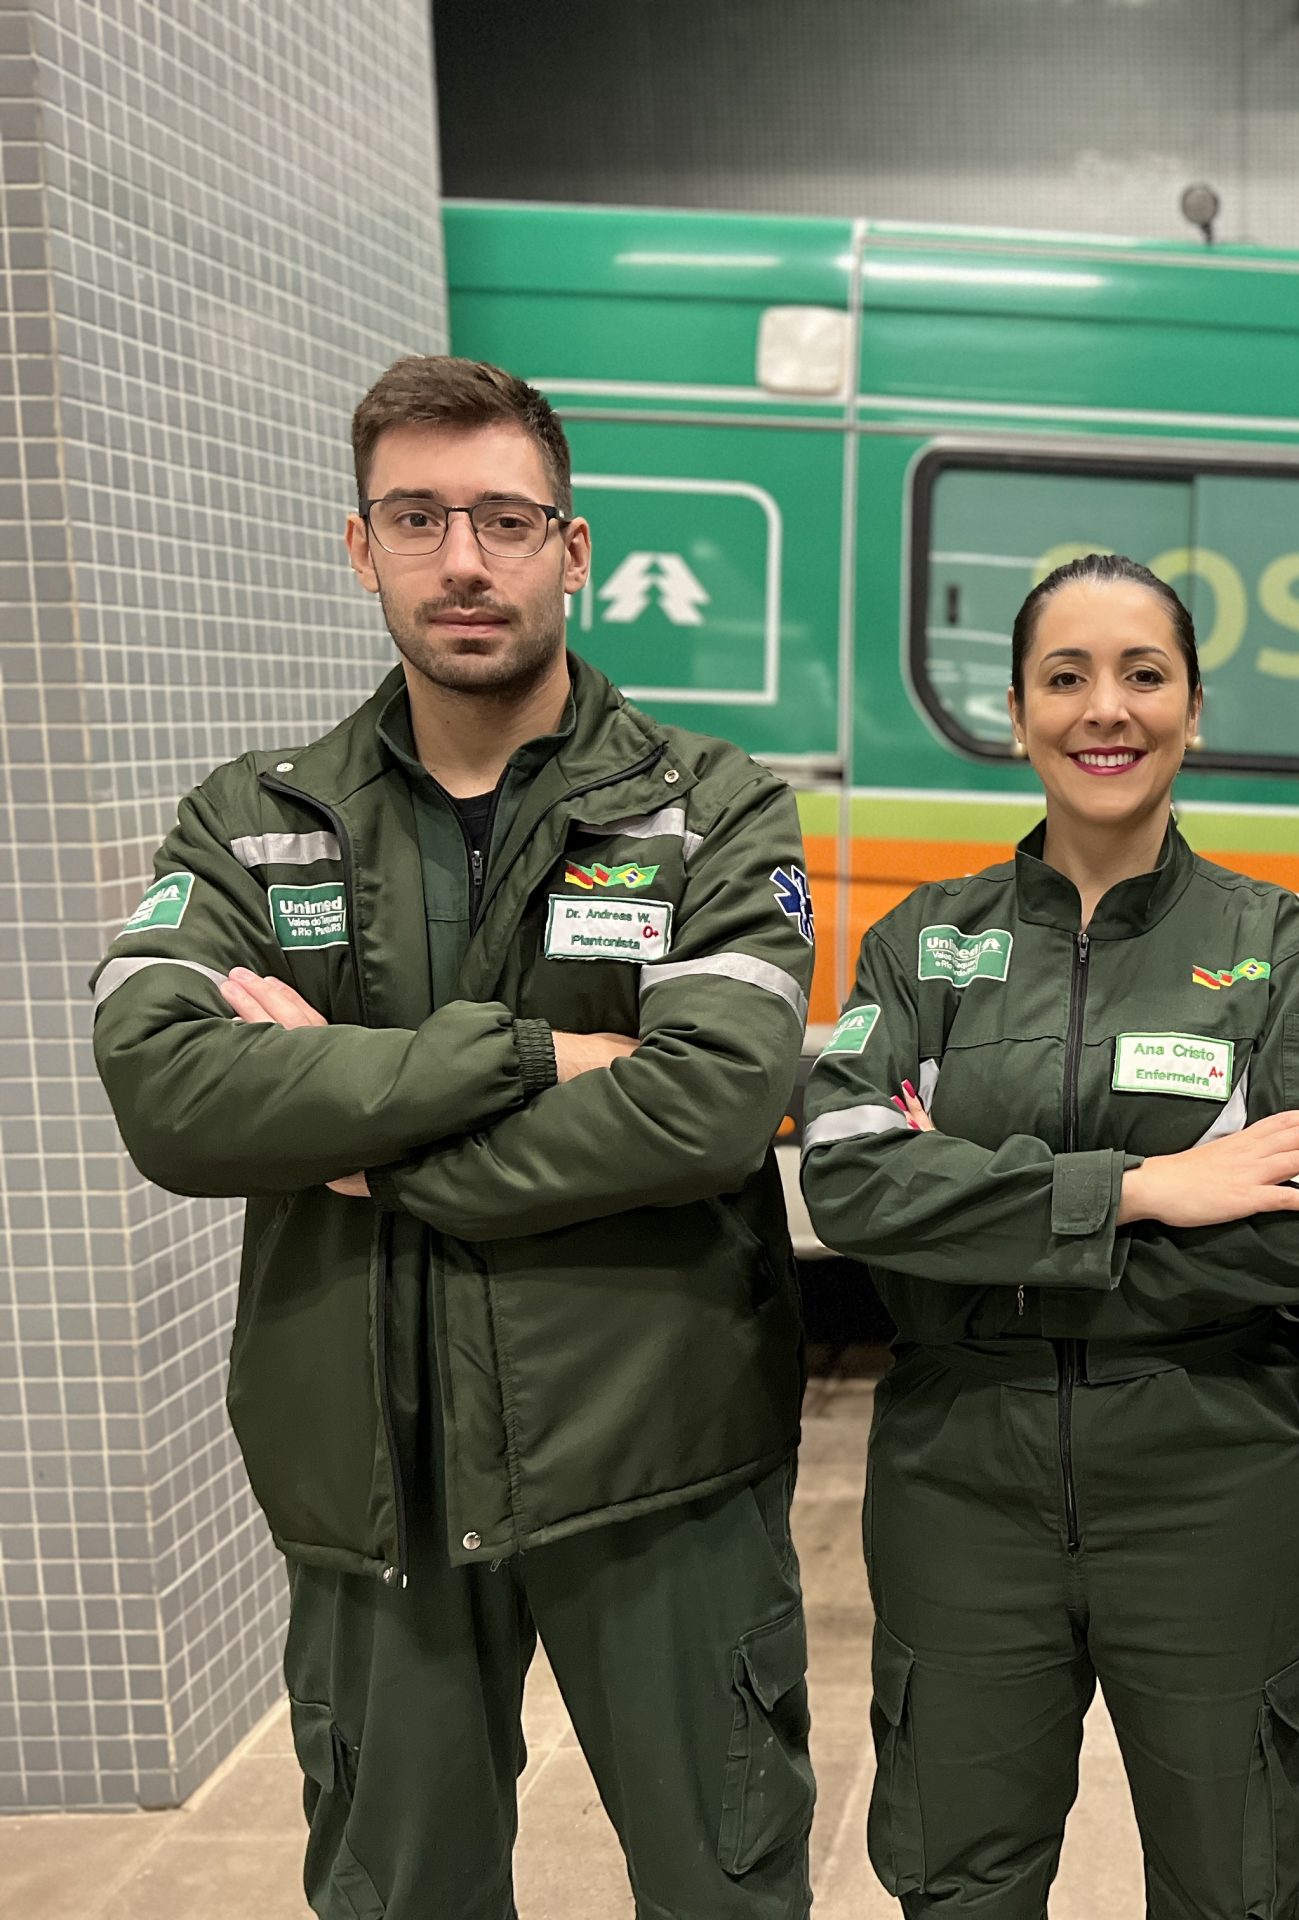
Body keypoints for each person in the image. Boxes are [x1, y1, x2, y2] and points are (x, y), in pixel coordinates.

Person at [88, 357, 817, 1918]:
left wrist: (348, 1131)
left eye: (504, 516)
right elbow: (165, 1089)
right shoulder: (251, 819)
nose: (464, 559)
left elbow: (705, 1101)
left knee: (724, 1892)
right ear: (362, 549)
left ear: (576, 546)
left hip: (657, 1465)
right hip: (374, 1483)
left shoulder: (711, 808)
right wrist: (533, 1055)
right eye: (417, 518)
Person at [799, 552, 1299, 1919]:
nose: (1103, 709)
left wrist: (981, 1209)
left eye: (1142, 675)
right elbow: (852, 1185)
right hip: (961, 1481)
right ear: (1014, 713)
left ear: (1193, 708)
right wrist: (1146, 1190)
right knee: (960, 1879)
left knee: (1235, 1881)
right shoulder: (922, 944)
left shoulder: (1275, 945)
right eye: (1066, 677)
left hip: (1214, 1476)